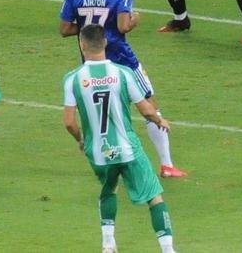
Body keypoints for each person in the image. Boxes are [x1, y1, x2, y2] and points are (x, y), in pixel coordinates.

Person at [61, 0, 185, 178]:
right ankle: (167, 164)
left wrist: (92, 28)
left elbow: (65, 29)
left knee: (102, 108)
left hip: (92, 57)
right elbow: (122, 26)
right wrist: (134, 19)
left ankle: (105, 155)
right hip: (121, 57)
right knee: (149, 103)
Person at [63, 25, 176, 253]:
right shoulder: (123, 73)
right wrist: (158, 121)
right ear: (105, 43)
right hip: (128, 149)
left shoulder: (72, 79)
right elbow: (145, 109)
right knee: (154, 196)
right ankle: (168, 250)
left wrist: (80, 140)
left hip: (98, 151)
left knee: (109, 189)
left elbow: (69, 122)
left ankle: (108, 243)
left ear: (82, 45)